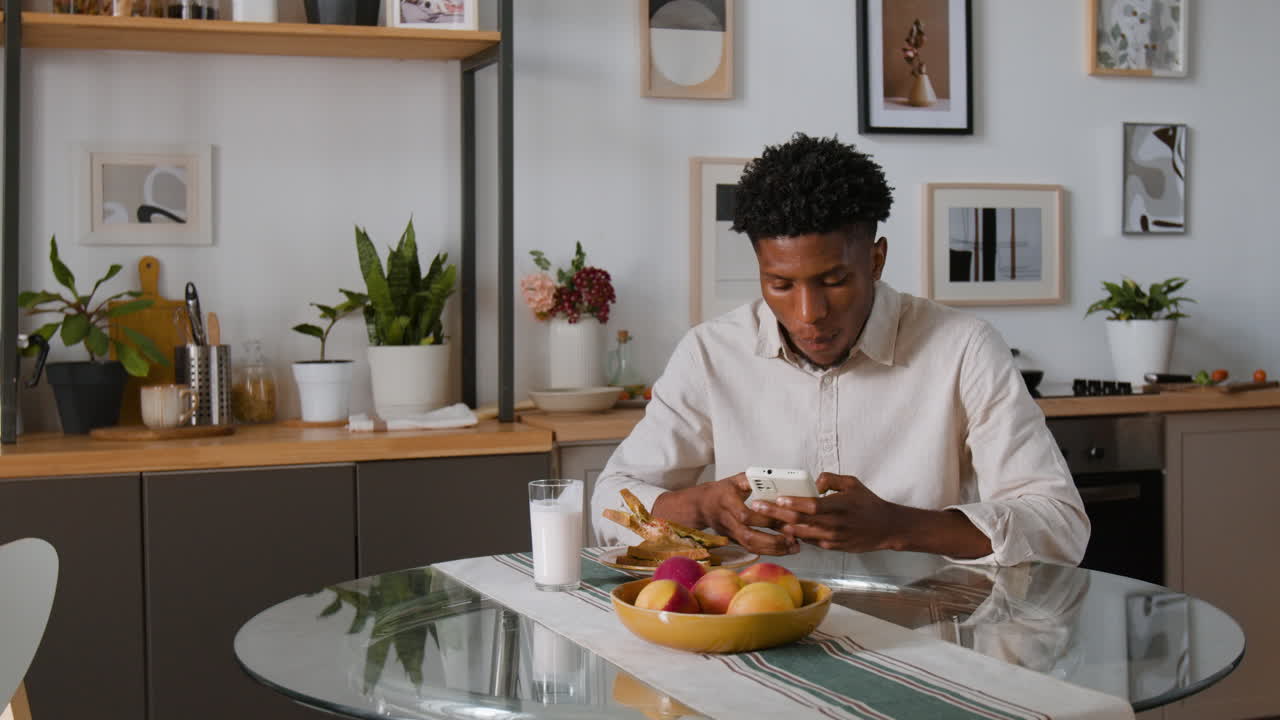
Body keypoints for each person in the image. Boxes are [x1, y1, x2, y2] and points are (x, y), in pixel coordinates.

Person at [591, 133, 1088, 566]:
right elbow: (608, 502)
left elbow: (1060, 524)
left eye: (834, 280)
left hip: (925, 639)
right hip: (759, 629)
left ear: (876, 259)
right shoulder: (710, 352)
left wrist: (899, 527)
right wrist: (702, 507)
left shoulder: (964, 348)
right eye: (780, 283)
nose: (809, 313)